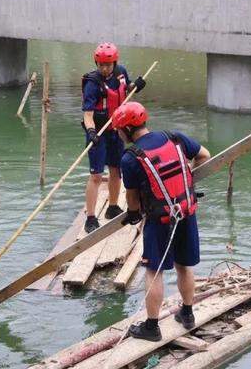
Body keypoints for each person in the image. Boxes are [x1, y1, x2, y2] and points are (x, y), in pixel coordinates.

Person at [112, 101, 211, 342]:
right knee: (184, 265)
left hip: (159, 221)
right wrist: (187, 181)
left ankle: (152, 327)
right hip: (186, 214)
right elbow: (204, 156)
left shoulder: (131, 157)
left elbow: (132, 198)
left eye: (118, 130)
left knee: (153, 272)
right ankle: (187, 315)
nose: (118, 135)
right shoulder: (175, 138)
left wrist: (134, 214)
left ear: (126, 130)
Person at [81, 42, 146, 233]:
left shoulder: (121, 72)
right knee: (96, 175)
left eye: (108, 64)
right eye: (100, 64)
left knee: (116, 170)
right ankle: (91, 217)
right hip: (98, 133)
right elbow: (88, 114)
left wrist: (137, 86)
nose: (104, 68)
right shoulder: (92, 83)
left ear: (115, 62)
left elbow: (127, 90)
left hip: (117, 131)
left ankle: (112, 206)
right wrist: (91, 131)